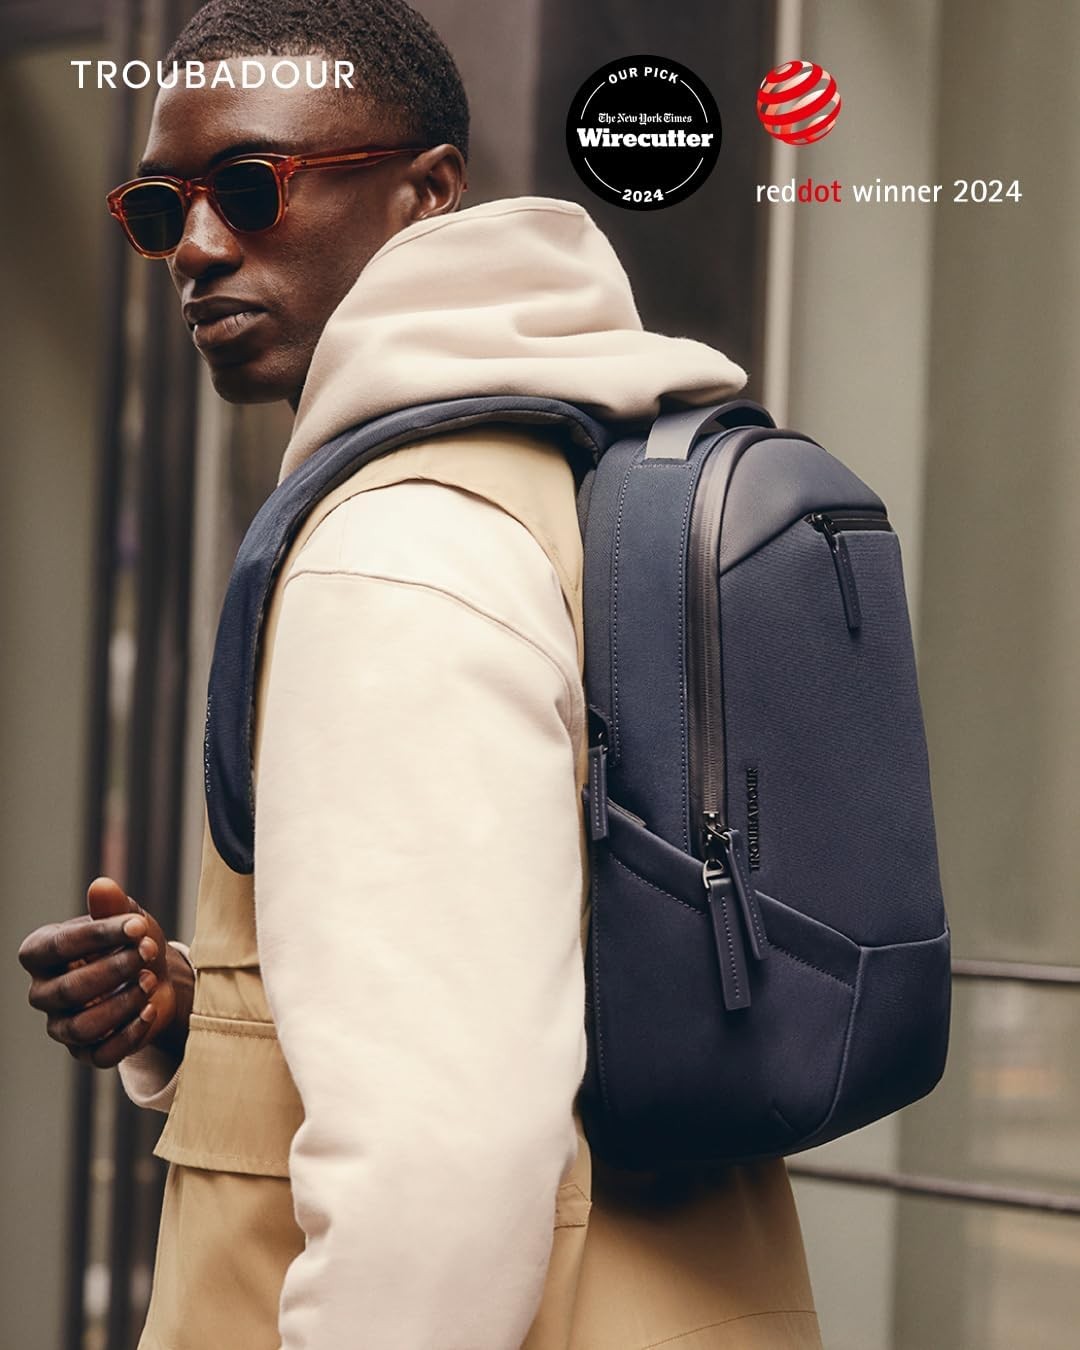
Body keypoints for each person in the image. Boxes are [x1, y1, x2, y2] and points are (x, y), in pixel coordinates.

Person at [19, 3, 823, 1346]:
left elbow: (442, 1159)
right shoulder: (571, 463)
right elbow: (551, 990)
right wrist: (204, 1022)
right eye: (162, 208)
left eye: (250, 186)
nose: (197, 247)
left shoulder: (394, 545)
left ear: (427, 193)